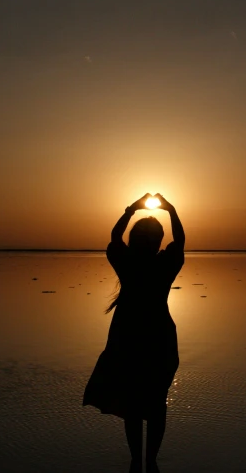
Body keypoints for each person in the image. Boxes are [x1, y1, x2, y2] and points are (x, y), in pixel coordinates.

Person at [83, 193, 185, 473]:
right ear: (158, 241)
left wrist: (131, 209)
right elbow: (181, 242)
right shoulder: (165, 265)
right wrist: (172, 210)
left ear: (134, 238)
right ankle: (150, 461)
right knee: (156, 403)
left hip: (127, 337)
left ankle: (136, 461)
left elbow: (115, 238)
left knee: (132, 402)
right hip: (160, 339)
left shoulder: (126, 264)